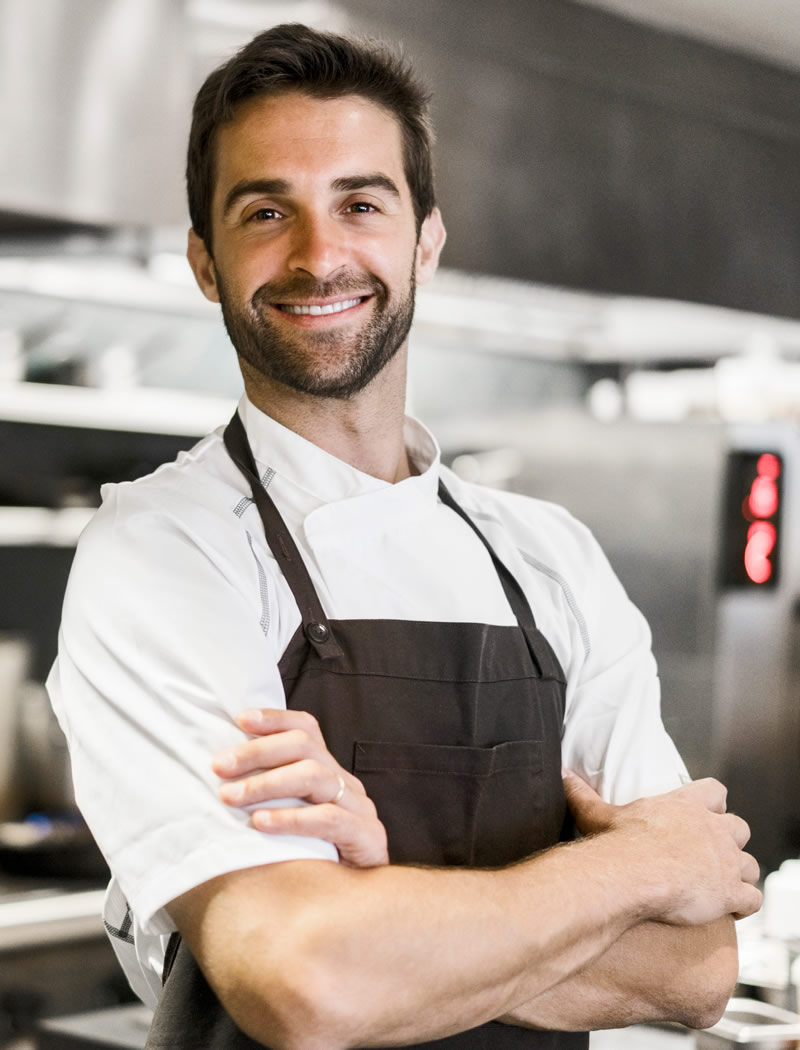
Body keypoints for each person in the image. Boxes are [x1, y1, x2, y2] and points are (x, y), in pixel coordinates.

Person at [47, 22, 761, 1050]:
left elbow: (695, 968)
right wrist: (636, 867)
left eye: (361, 203)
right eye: (264, 211)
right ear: (205, 261)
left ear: (425, 239)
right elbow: (305, 983)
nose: (318, 254)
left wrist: (379, 907)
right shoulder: (163, 551)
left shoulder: (549, 558)